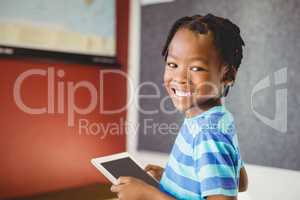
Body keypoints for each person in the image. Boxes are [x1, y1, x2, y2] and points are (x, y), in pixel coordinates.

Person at [111, 13, 248, 200]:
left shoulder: (206, 133)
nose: (179, 78)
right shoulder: (220, 119)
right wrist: (171, 178)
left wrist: (148, 195)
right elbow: (239, 181)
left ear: (228, 75)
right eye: (172, 64)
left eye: (196, 68)